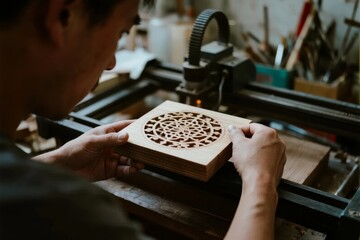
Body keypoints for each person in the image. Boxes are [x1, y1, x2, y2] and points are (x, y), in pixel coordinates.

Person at [0, 0, 286, 239]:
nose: (112, 62)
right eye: (121, 32)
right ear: (63, 17)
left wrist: (55, 165)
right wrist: (261, 182)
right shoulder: (67, 214)